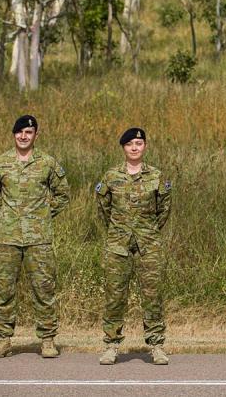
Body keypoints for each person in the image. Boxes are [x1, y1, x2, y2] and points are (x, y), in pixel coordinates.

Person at [0, 115, 70, 358]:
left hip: (39, 238)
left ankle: (47, 340)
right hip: (8, 238)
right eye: (20, 132)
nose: (24, 136)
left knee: (44, 289)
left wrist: (42, 216)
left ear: (35, 135)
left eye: (29, 132)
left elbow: (62, 194)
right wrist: (4, 215)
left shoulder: (47, 163)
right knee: (3, 288)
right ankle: (3, 340)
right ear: (14, 134)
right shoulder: (0, 163)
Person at [95, 128, 172, 365]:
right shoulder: (111, 177)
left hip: (149, 244)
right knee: (115, 295)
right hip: (118, 244)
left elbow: (164, 209)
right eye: (130, 144)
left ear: (145, 146)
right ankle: (111, 345)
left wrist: (147, 231)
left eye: (139, 143)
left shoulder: (157, 176)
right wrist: (118, 231)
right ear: (123, 148)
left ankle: (156, 345)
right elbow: (103, 209)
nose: (134, 147)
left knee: (152, 295)